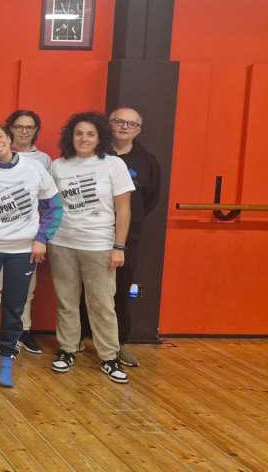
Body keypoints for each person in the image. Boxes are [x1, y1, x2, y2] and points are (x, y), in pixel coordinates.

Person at [0, 122, 62, 388]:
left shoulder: (34, 168)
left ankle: (7, 358)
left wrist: (41, 238)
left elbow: (54, 207)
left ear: (8, 138)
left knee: (14, 306)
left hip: (23, 251)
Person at [48, 112, 134, 384]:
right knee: (66, 300)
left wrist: (119, 246)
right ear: (70, 137)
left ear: (99, 138)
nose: (83, 138)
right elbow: (49, 206)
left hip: (99, 245)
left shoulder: (113, 164)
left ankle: (109, 357)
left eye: (90, 134)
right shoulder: (58, 166)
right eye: (78, 133)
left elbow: (124, 209)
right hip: (62, 243)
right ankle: (67, 349)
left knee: (102, 303)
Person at [0, 109, 52, 355]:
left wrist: (41, 236)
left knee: (26, 289)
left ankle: (23, 330)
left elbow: (48, 201)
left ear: (35, 131)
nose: (24, 131)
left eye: (29, 127)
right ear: (9, 130)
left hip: (28, 238)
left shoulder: (43, 160)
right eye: (19, 126)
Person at [106, 107, 161, 367]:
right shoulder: (95, 154)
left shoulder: (147, 161)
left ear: (138, 130)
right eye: (119, 121)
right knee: (87, 289)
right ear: (109, 124)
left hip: (126, 239)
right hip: (91, 233)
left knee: (120, 290)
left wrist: (128, 222)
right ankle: (81, 338)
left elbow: (150, 199)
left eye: (131, 124)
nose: (124, 127)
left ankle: (119, 343)